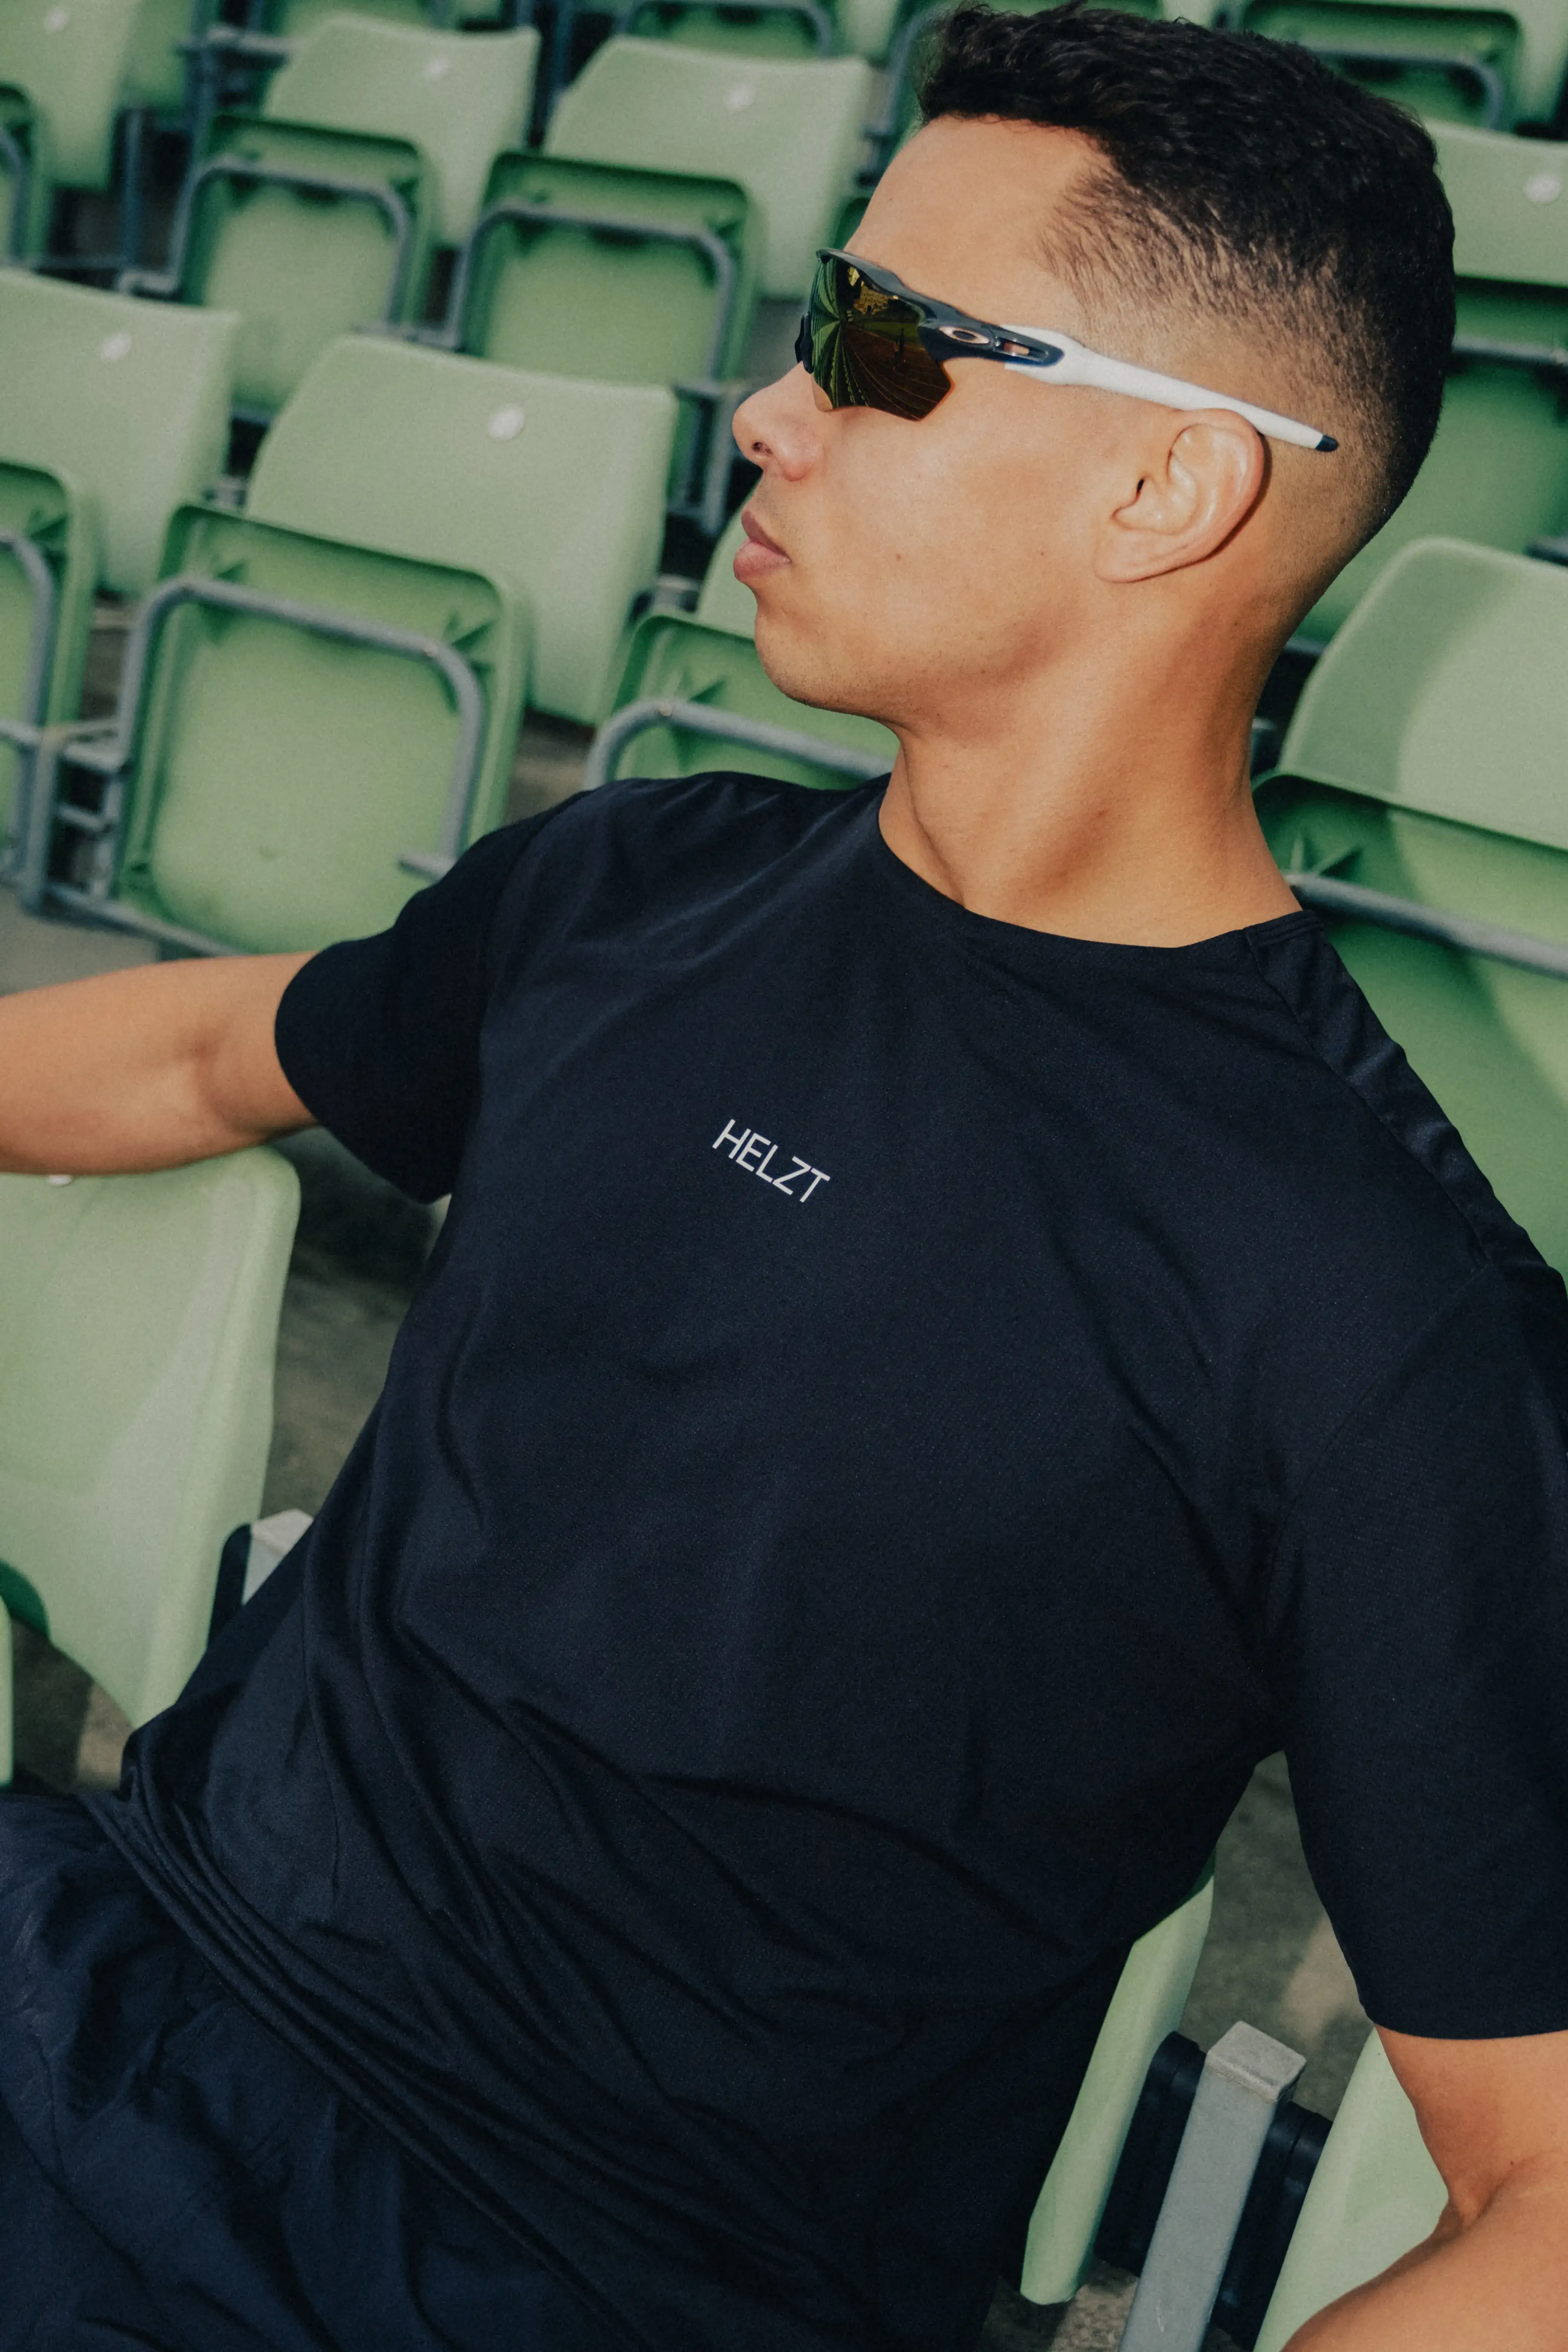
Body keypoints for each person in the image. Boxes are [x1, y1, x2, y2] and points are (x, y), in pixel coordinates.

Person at [1, 6, 1566, 2346]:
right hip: (110, 1974)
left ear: (1170, 489)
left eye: (881, 344)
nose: (768, 405)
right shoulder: (635, 884)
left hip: (582, 2277)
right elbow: (210, 1047)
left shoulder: (1375, 1305)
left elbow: (1542, 2187)